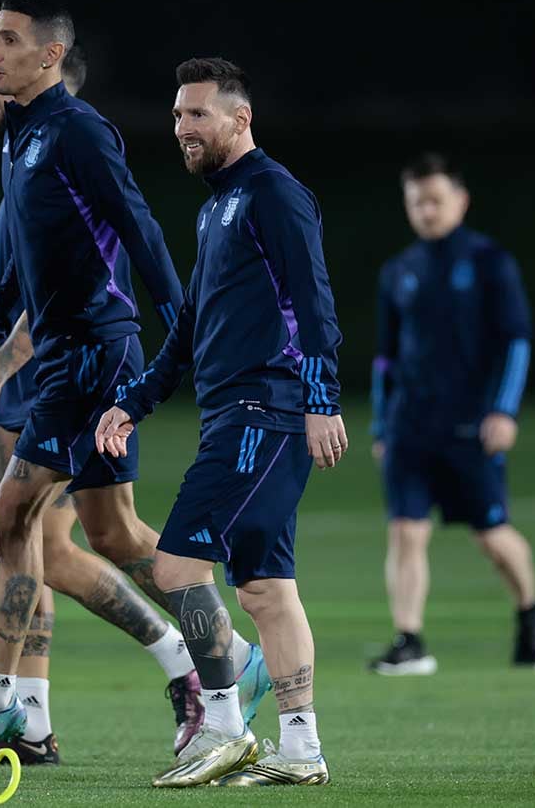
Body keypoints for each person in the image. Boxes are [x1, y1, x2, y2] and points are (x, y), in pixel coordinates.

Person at [0, 0, 270, 768]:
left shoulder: (77, 130)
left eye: (7, 40)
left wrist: (183, 332)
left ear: (49, 56)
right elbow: (21, 269)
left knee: (11, 515)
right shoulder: (18, 137)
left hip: (94, 356)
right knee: (110, 532)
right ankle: (231, 652)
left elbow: (141, 226)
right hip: (65, 358)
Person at [96, 56, 345, 788]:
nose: (183, 127)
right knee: (266, 588)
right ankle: (300, 751)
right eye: (177, 115)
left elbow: (312, 297)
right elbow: (192, 324)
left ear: (241, 118)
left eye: (197, 113)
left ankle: (227, 728)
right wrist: (134, 399)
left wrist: (321, 396)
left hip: (264, 410)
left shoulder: (273, 192)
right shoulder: (215, 206)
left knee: (176, 565)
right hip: (236, 413)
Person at [368, 152, 535, 676]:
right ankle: (410, 641)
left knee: (492, 536)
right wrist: (383, 423)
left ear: (461, 201)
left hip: (472, 426)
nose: (427, 211)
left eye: (436, 200)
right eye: (416, 202)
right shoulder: (398, 271)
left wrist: (504, 410)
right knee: (406, 532)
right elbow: (385, 356)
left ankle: (530, 608)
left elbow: (516, 341)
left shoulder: (490, 262)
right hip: (410, 426)